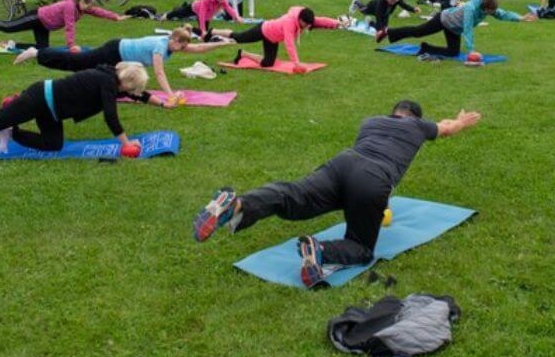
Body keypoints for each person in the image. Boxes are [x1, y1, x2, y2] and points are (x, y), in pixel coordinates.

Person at [192, 101, 482, 287]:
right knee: (361, 248)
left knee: (294, 198)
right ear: (415, 118)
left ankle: (239, 202)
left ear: (392, 113)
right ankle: (320, 251)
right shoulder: (418, 126)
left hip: (341, 164)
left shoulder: (370, 120)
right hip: (372, 179)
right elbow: (447, 128)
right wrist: (460, 122)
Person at [0, 63, 150, 153]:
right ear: (128, 83)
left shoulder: (111, 78)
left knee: (54, 145)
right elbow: (111, 116)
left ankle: (13, 132)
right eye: (135, 88)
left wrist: (161, 102)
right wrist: (126, 143)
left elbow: (135, 96)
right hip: (40, 98)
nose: (133, 93)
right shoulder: (107, 83)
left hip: (52, 110)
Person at [13, 27, 229, 103]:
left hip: (119, 58)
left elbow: (199, 48)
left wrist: (220, 44)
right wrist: (170, 94)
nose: (183, 50)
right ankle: (37, 52)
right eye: (182, 46)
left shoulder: (173, 45)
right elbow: (160, 73)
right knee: (77, 64)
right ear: (174, 41)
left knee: (92, 71)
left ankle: (105, 96)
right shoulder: (160, 48)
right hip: (113, 51)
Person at [0, 0, 124, 50]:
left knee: (43, 48)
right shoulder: (70, 6)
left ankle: (12, 45)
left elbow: (98, 11)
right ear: (81, 0)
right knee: (7, 27)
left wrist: (115, 17)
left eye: (88, 7)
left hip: (45, 24)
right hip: (37, 17)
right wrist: (71, 45)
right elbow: (70, 26)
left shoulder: (82, 7)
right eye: (85, 5)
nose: (87, 9)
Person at [384, 0, 534, 58]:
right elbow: (467, 29)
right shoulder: (471, 8)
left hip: (454, 28)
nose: (492, 14)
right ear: (485, 7)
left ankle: (425, 48)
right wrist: (471, 50)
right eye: (490, 12)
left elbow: (503, 14)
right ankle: (390, 32)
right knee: (418, 32)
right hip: (444, 19)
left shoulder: (489, 7)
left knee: (453, 52)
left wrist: (520, 18)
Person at [221, 6, 339, 70]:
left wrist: (336, 23)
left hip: (272, 39)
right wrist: (296, 63)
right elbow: (289, 45)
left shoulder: (304, 17)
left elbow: (319, 20)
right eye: (306, 25)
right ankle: (213, 32)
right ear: (301, 20)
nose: (308, 27)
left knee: (267, 63)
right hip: (263, 30)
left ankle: (243, 54)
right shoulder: (289, 23)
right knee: (239, 38)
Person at [162, 0, 242, 40]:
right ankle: (166, 16)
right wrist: (203, 29)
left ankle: (187, 27)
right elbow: (202, 13)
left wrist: (236, 17)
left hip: (207, 17)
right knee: (179, 13)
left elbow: (229, 8)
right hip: (194, 8)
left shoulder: (222, 1)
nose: (222, 0)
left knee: (205, 35)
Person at [349, 0, 420, 40]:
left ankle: (369, 22)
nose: (393, 2)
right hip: (373, 7)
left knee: (385, 30)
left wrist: (413, 9)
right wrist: (379, 30)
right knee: (363, 11)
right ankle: (356, 2)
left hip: (386, 13)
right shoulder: (381, 2)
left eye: (395, 1)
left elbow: (404, 5)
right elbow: (378, 16)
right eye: (392, 0)